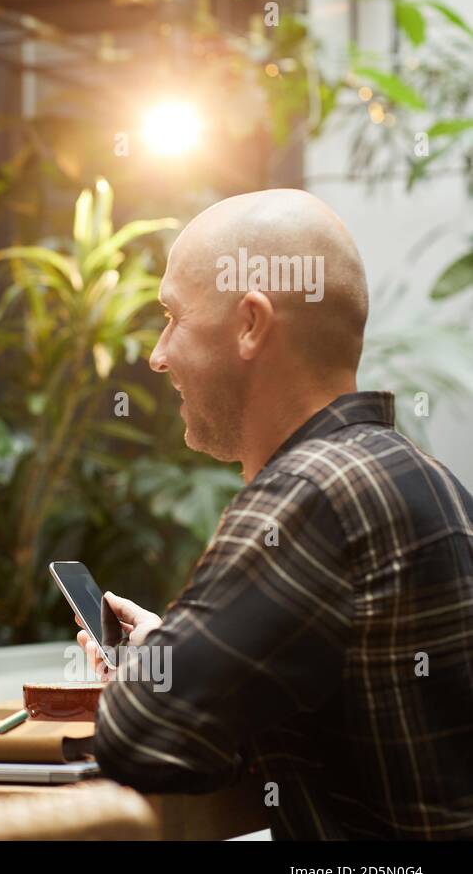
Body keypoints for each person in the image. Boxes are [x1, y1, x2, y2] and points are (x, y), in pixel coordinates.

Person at [75, 189, 473, 839]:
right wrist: (172, 654)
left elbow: (140, 737)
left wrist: (151, 671)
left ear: (251, 324)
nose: (158, 354)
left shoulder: (312, 497)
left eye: (172, 317)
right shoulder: (433, 482)